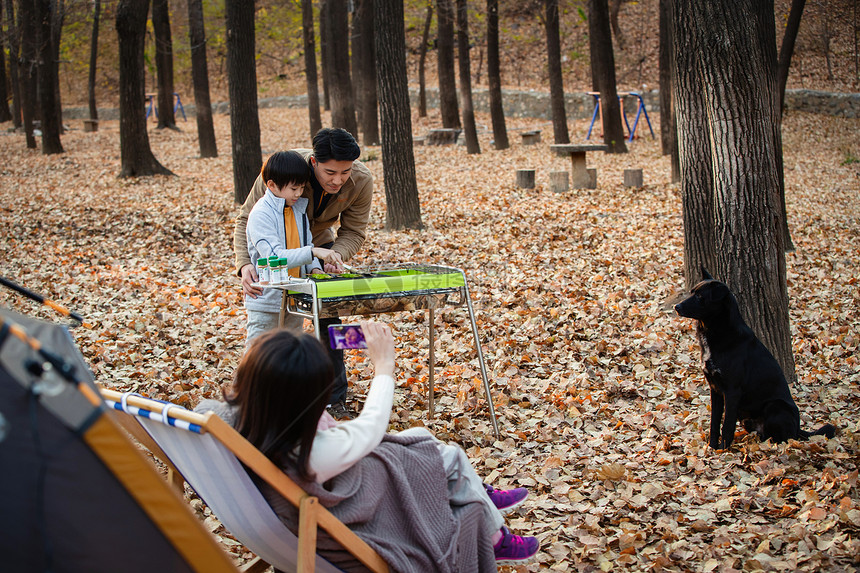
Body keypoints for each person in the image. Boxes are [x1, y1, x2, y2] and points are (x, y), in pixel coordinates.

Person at [195, 321, 540, 571]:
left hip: (270, 520)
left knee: (423, 442)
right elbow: (370, 428)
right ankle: (484, 513)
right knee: (440, 455)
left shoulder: (237, 419)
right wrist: (384, 365)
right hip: (345, 507)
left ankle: (471, 486)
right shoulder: (313, 454)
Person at [233, 127, 373, 418]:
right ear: (313, 164)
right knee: (267, 337)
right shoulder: (285, 169)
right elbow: (247, 217)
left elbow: (354, 232)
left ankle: (334, 398)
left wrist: (332, 258)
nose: (338, 180)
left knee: (331, 319)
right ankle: (250, 398)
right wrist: (245, 263)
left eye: (345, 172)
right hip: (278, 252)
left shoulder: (361, 180)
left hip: (317, 244)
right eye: (330, 172)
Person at [244, 151, 341, 345]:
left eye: (302, 188)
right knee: (259, 356)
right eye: (294, 188)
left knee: (290, 355)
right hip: (267, 299)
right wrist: (313, 252)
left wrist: (313, 267)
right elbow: (274, 256)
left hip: (294, 296)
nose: (298, 193)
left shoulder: (298, 209)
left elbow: (306, 244)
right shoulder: (261, 214)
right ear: (271, 185)